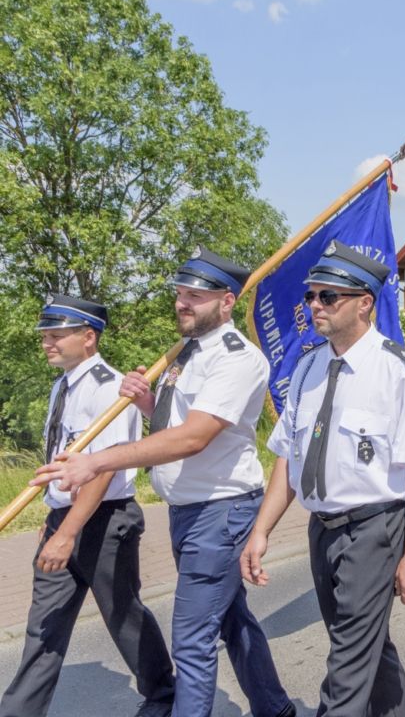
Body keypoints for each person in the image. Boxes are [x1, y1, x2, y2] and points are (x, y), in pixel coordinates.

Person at [32, 247, 294, 717]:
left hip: (221, 510)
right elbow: (174, 424)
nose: (182, 303)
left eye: (195, 296)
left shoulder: (236, 359)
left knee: (192, 637)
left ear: (227, 301)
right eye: (180, 293)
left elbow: (194, 438)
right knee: (230, 619)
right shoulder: (186, 353)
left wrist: (97, 462)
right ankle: (275, 709)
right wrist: (148, 403)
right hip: (188, 509)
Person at [237, 242, 405, 717]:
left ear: (364, 303)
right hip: (322, 530)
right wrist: (261, 530)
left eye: (328, 297)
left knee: (347, 663)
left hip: (374, 529)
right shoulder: (307, 367)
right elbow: (289, 457)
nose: (315, 306)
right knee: (366, 648)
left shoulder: (399, 371)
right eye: (311, 296)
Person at [4, 296, 175, 717]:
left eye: (56, 335)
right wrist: (55, 514)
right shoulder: (61, 386)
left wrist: (67, 534)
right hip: (65, 518)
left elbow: (103, 470)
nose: (47, 343)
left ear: (88, 337)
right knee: (44, 627)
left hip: (104, 521)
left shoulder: (109, 389)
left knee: (123, 615)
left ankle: (163, 694)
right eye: (45, 335)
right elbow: (62, 456)